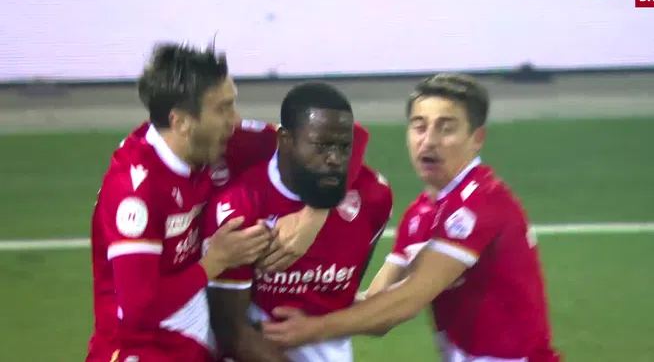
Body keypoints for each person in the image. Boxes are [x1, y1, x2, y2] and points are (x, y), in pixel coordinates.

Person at [85, 43, 370, 362]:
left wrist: (312, 215)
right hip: (139, 348)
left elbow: (351, 136)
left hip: (194, 336)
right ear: (181, 122)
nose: (235, 120)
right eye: (223, 109)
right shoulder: (135, 190)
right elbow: (139, 312)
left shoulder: (222, 143)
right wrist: (214, 262)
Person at [263, 74, 562, 362]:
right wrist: (299, 297)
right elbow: (376, 306)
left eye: (446, 128)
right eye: (419, 127)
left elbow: (410, 298)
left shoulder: (482, 200)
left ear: (477, 138)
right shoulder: (421, 213)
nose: (428, 141)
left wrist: (312, 329)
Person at [202, 82, 393, 362]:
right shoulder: (240, 207)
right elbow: (231, 329)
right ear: (285, 140)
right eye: (321, 146)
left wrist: (316, 212)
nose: (334, 159)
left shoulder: (373, 198)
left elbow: (342, 296)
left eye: (344, 147)